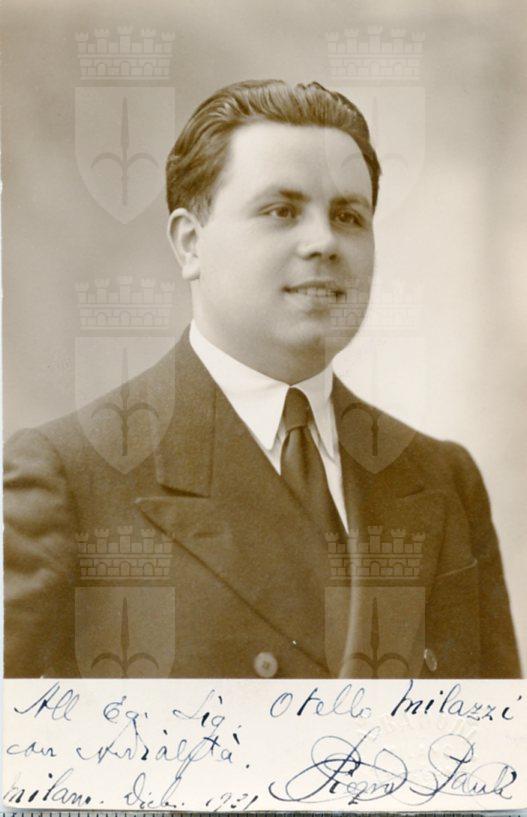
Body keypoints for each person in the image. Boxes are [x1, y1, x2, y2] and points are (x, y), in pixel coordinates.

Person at [4, 79, 520, 679]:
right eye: (281, 211)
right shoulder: (71, 476)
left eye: (349, 216)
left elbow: (494, 733)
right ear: (190, 244)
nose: (324, 242)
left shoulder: (442, 480)